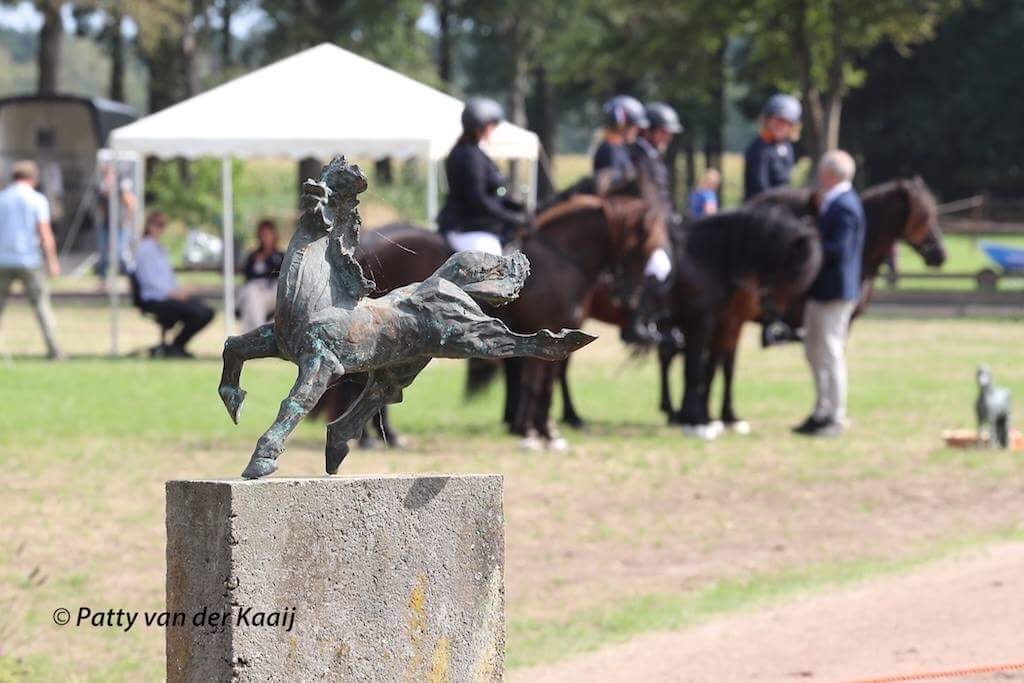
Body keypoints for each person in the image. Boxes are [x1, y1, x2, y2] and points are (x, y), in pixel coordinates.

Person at [794, 150, 865, 437]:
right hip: (821, 289)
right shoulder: (833, 203)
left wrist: (810, 240)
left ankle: (835, 415)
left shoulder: (845, 205)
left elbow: (840, 250)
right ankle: (821, 408)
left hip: (835, 290)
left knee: (831, 352)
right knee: (814, 350)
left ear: (829, 174)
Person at [620, 101, 682, 345]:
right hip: (643, 226)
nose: (667, 137)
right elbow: (646, 197)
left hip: (660, 222)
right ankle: (636, 321)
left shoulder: (652, 156)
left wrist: (674, 217)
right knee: (659, 266)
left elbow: (663, 196)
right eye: (663, 131)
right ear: (649, 130)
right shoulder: (638, 156)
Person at [437, 98, 529, 255]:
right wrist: (511, 218)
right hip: (471, 230)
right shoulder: (470, 155)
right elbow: (478, 198)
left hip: (475, 226)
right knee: (494, 265)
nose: (492, 130)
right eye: (492, 126)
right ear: (482, 127)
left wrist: (518, 208)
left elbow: (493, 194)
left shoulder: (471, 152)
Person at [0, 160, 63, 359]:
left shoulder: (2, 198)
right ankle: (54, 350)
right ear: (33, 179)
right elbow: (44, 233)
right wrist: (52, 260)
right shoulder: (37, 200)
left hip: (3, 259)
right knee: (41, 306)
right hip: (29, 259)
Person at [133, 211, 214, 357]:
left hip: (169, 295)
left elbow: (168, 278)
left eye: (163, 225)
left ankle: (177, 345)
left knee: (206, 311)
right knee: (196, 312)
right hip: (155, 298)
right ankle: (175, 347)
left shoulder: (161, 249)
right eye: (157, 224)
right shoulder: (145, 249)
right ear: (149, 225)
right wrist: (171, 293)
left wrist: (180, 291)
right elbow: (150, 281)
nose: (160, 228)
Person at [743, 93, 801, 201]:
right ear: (767, 121)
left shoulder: (787, 148)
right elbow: (760, 187)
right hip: (760, 207)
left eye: (784, 122)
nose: (779, 126)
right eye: (776, 121)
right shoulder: (759, 148)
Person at [593, 95, 648, 197]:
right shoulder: (610, 149)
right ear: (621, 125)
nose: (637, 130)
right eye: (634, 125)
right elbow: (604, 186)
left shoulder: (619, 148)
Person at [238, 219, 284, 332]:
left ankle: (254, 332)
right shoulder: (253, 255)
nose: (265, 237)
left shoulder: (280, 256)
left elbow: (277, 274)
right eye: (263, 234)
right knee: (252, 296)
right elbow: (248, 275)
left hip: (271, 292)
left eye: (268, 234)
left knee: (252, 296)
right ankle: (258, 330)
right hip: (255, 292)